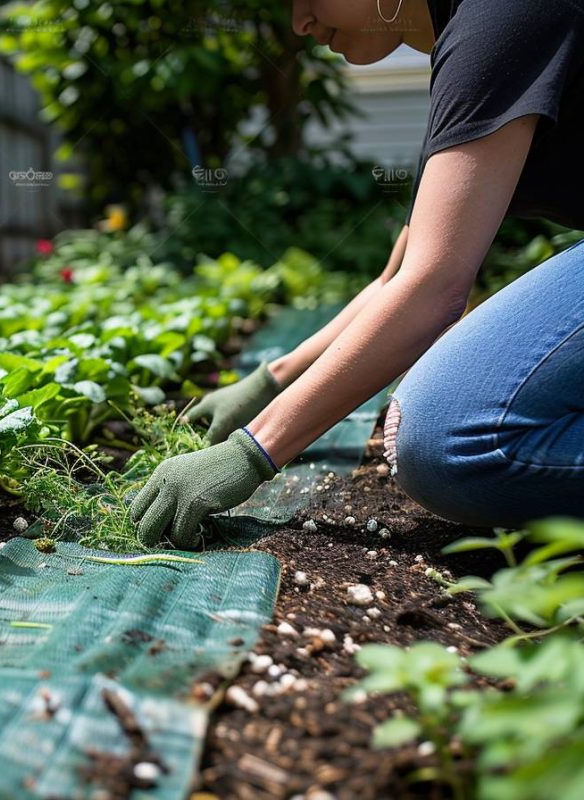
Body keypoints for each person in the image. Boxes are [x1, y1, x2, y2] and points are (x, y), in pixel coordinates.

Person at [131, 0, 584, 547]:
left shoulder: (502, 14)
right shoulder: (468, 40)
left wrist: (253, 451)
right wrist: (272, 381)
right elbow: (403, 272)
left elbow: (434, 288)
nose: (297, 22)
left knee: (446, 437)